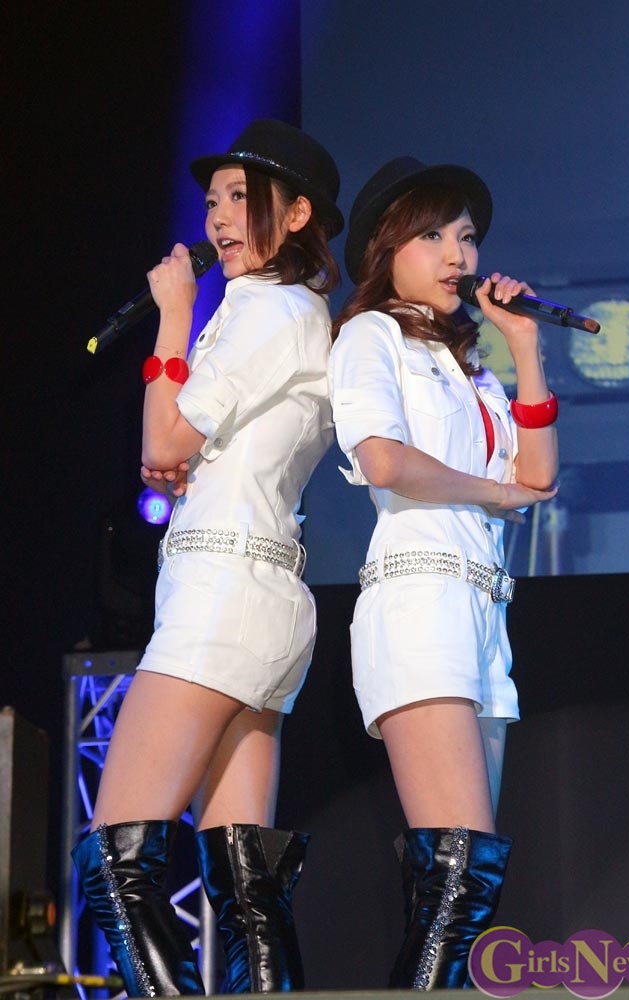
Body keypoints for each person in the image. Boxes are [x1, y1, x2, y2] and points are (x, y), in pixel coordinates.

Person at [72, 118, 343, 996]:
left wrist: (174, 317)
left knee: (114, 859)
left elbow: (163, 440)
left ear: (296, 214)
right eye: (212, 201)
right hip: (257, 591)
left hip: (222, 594)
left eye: (240, 198)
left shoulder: (269, 309)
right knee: (245, 877)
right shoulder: (287, 313)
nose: (218, 217)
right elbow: (181, 448)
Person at [328, 156, 559, 989]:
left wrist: (523, 345)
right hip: (417, 600)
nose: (457, 254)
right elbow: (385, 462)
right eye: (431, 235)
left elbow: (537, 478)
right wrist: (491, 493)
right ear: (385, 249)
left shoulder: (473, 366)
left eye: (464, 236)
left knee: (458, 882)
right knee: (460, 873)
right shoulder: (370, 335)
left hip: (480, 618)